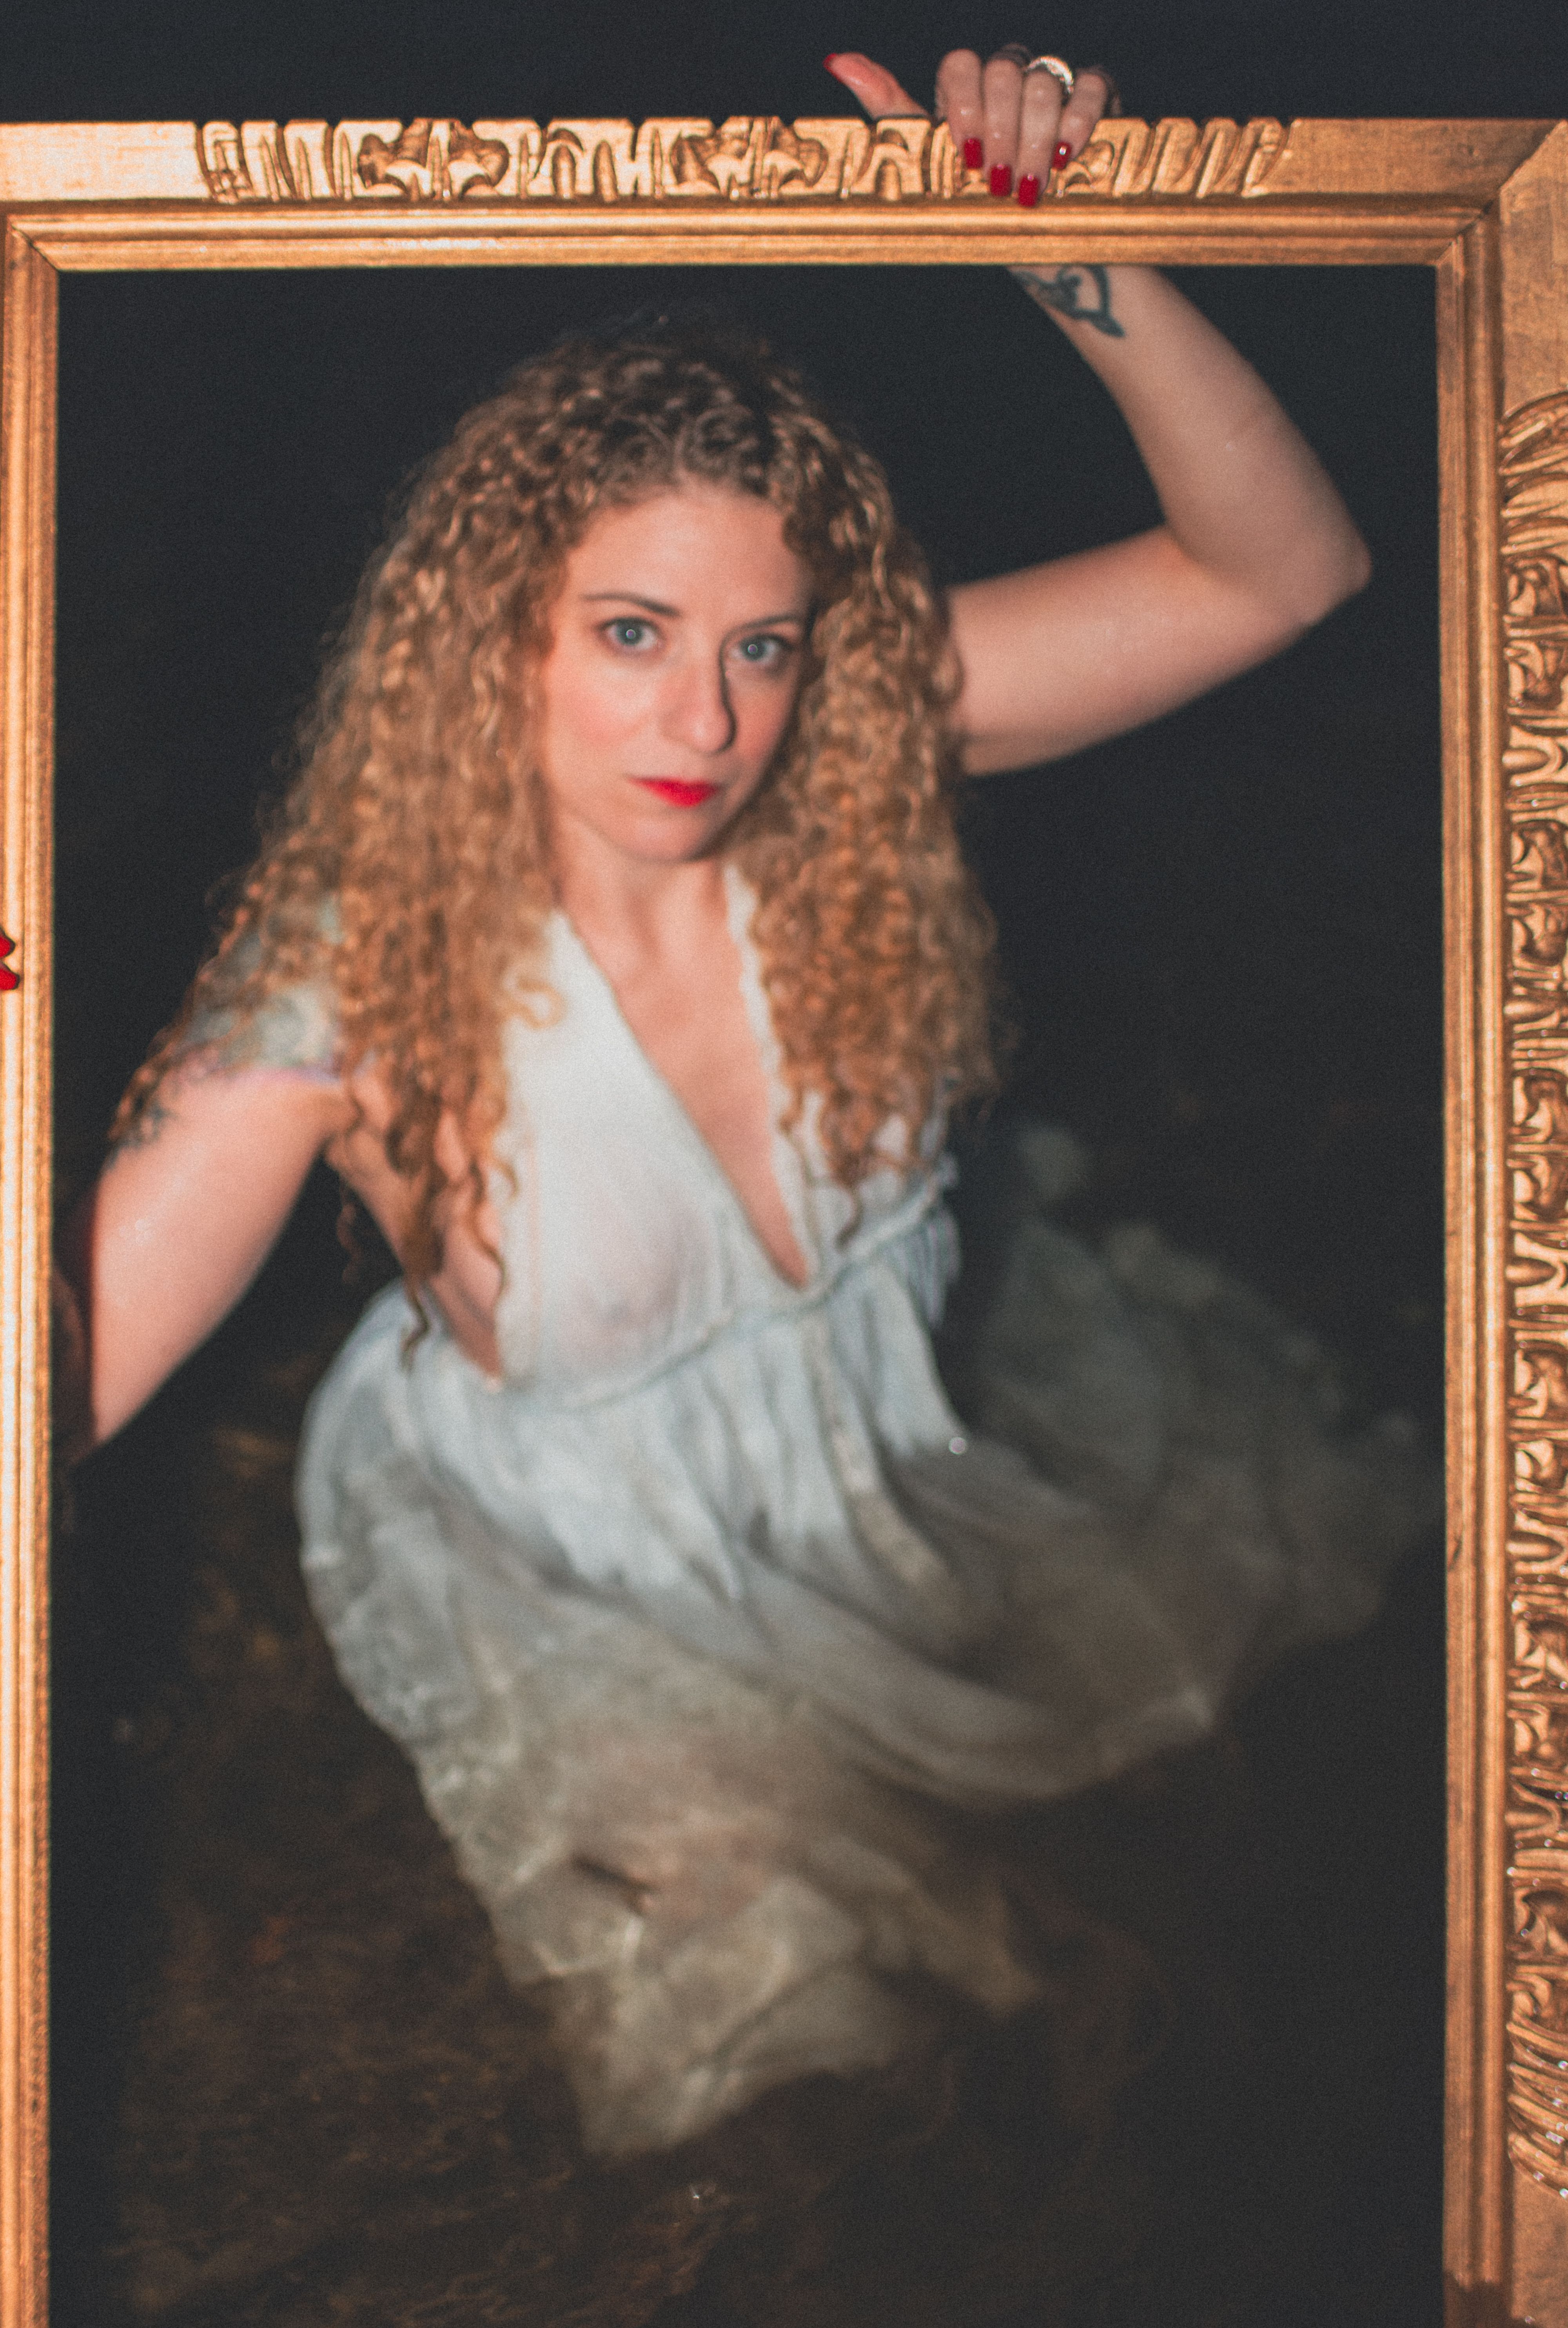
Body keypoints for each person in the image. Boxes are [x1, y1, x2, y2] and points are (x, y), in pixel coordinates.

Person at [56, 51, 1434, 2156]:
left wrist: (1059, 245)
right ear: (491, 643)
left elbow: (1286, 573)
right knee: (817, 2091)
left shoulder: (847, 764)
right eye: (631, 632)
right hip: (598, 1596)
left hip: (901, 1465)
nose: (706, 720)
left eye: (763, 645)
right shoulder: (343, 980)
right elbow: (49, 1395)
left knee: (1297, 1817)